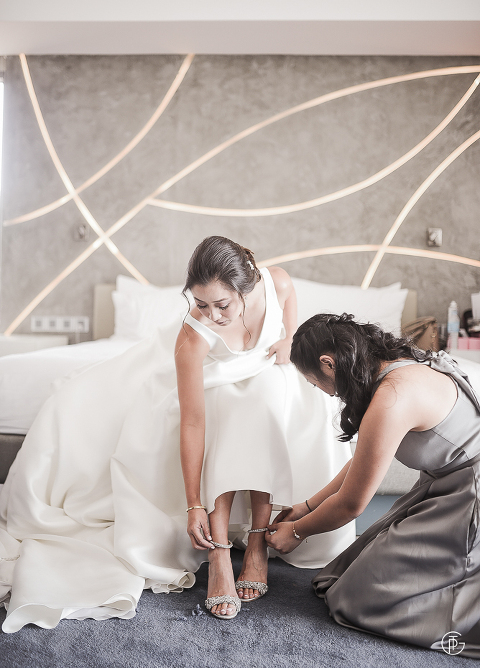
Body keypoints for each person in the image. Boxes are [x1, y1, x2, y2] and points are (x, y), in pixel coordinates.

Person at [0, 238, 354, 632]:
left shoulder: (277, 282)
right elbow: (192, 423)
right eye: (201, 303)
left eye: (223, 305)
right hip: (210, 380)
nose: (212, 315)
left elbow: (288, 303)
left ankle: (257, 542)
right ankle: (219, 553)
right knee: (231, 413)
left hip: (264, 370)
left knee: (264, 403)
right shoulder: (193, 334)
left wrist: (288, 338)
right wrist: (192, 504)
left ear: (247, 288)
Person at [266, 312, 480, 658]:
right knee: (340, 577)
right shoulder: (393, 366)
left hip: (470, 497)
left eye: (314, 382)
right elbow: (364, 460)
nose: (321, 391)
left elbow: (352, 504)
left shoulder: (393, 396)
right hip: (445, 483)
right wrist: (307, 507)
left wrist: (297, 532)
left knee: (357, 599)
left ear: (328, 364)